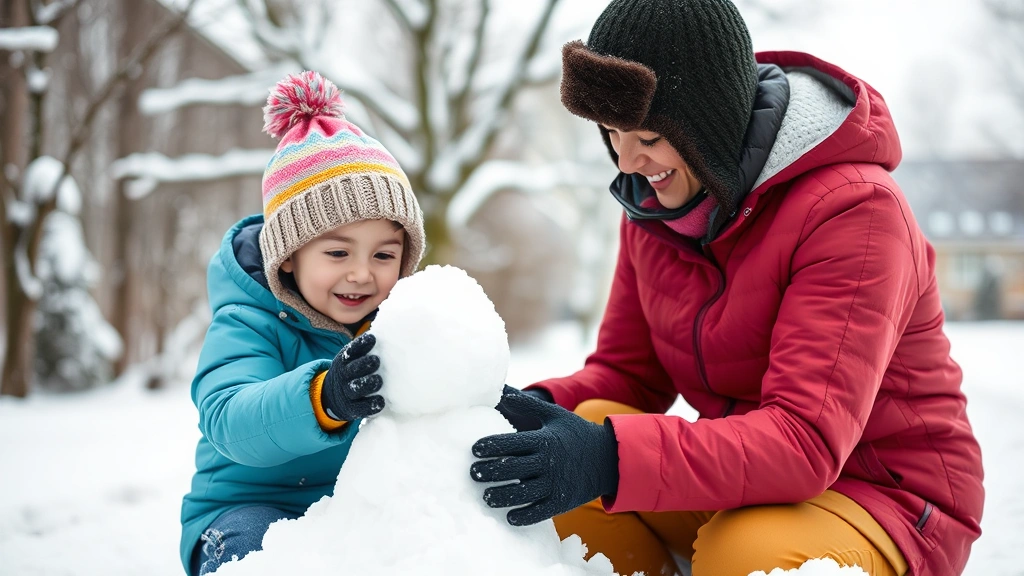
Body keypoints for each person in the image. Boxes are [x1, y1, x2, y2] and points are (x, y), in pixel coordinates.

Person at [470, 1, 984, 575]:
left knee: (744, 554)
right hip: (758, 483)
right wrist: (517, 408)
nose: (627, 159)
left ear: (708, 123)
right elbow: (628, 376)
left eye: (648, 135)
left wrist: (610, 459)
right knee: (566, 457)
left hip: (884, 498)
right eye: (613, 133)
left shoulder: (854, 211)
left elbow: (803, 439)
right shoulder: (655, 205)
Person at [179, 71, 425, 576]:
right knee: (256, 555)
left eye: (384, 254)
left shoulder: (400, 322)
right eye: (337, 252)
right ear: (288, 256)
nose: (361, 273)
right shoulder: (247, 322)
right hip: (246, 509)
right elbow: (228, 418)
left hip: (355, 508)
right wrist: (323, 399)